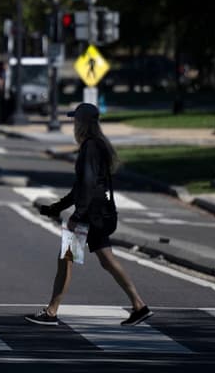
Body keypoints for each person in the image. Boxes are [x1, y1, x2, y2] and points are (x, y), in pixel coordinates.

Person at [26, 102, 153, 327]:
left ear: (82, 123)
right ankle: (139, 306)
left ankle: (52, 311)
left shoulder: (90, 148)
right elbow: (81, 188)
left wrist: (77, 215)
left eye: (75, 120)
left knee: (65, 260)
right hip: (99, 214)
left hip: (90, 215)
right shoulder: (97, 145)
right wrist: (56, 208)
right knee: (107, 260)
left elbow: (86, 185)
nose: (73, 124)